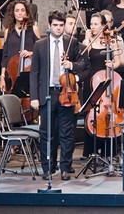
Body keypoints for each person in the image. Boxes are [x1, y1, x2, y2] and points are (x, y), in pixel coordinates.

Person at [30, 11, 91, 180]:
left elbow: (84, 65)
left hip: (66, 93)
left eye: (61, 25)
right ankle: (47, 168)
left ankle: (65, 167)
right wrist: (34, 97)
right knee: (47, 133)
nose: (58, 28)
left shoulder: (71, 43)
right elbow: (34, 72)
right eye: (55, 25)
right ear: (49, 26)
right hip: (47, 93)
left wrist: (72, 66)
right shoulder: (40, 45)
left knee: (66, 133)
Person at [82, 12, 124, 158]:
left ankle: (109, 149)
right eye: (91, 24)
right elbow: (83, 58)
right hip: (91, 82)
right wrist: (87, 39)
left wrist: (113, 64)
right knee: (92, 114)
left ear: (103, 25)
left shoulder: (111, 41)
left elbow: (119, 61)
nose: (92, 27)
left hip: (107, 81)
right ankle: (92, 151)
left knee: (108, 111)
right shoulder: (88, 41)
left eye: (95, 24)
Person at [0, 0, 41, 94]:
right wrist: (2, 76)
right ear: (13, 13)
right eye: (17, 11)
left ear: (27, 12)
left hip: (29, 72)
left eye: (22, 10)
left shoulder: (33, 29)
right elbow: (5, 56)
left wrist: (30, 53)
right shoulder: (8, 31)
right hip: (11, 74)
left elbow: (41, 51)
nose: (20, 13)